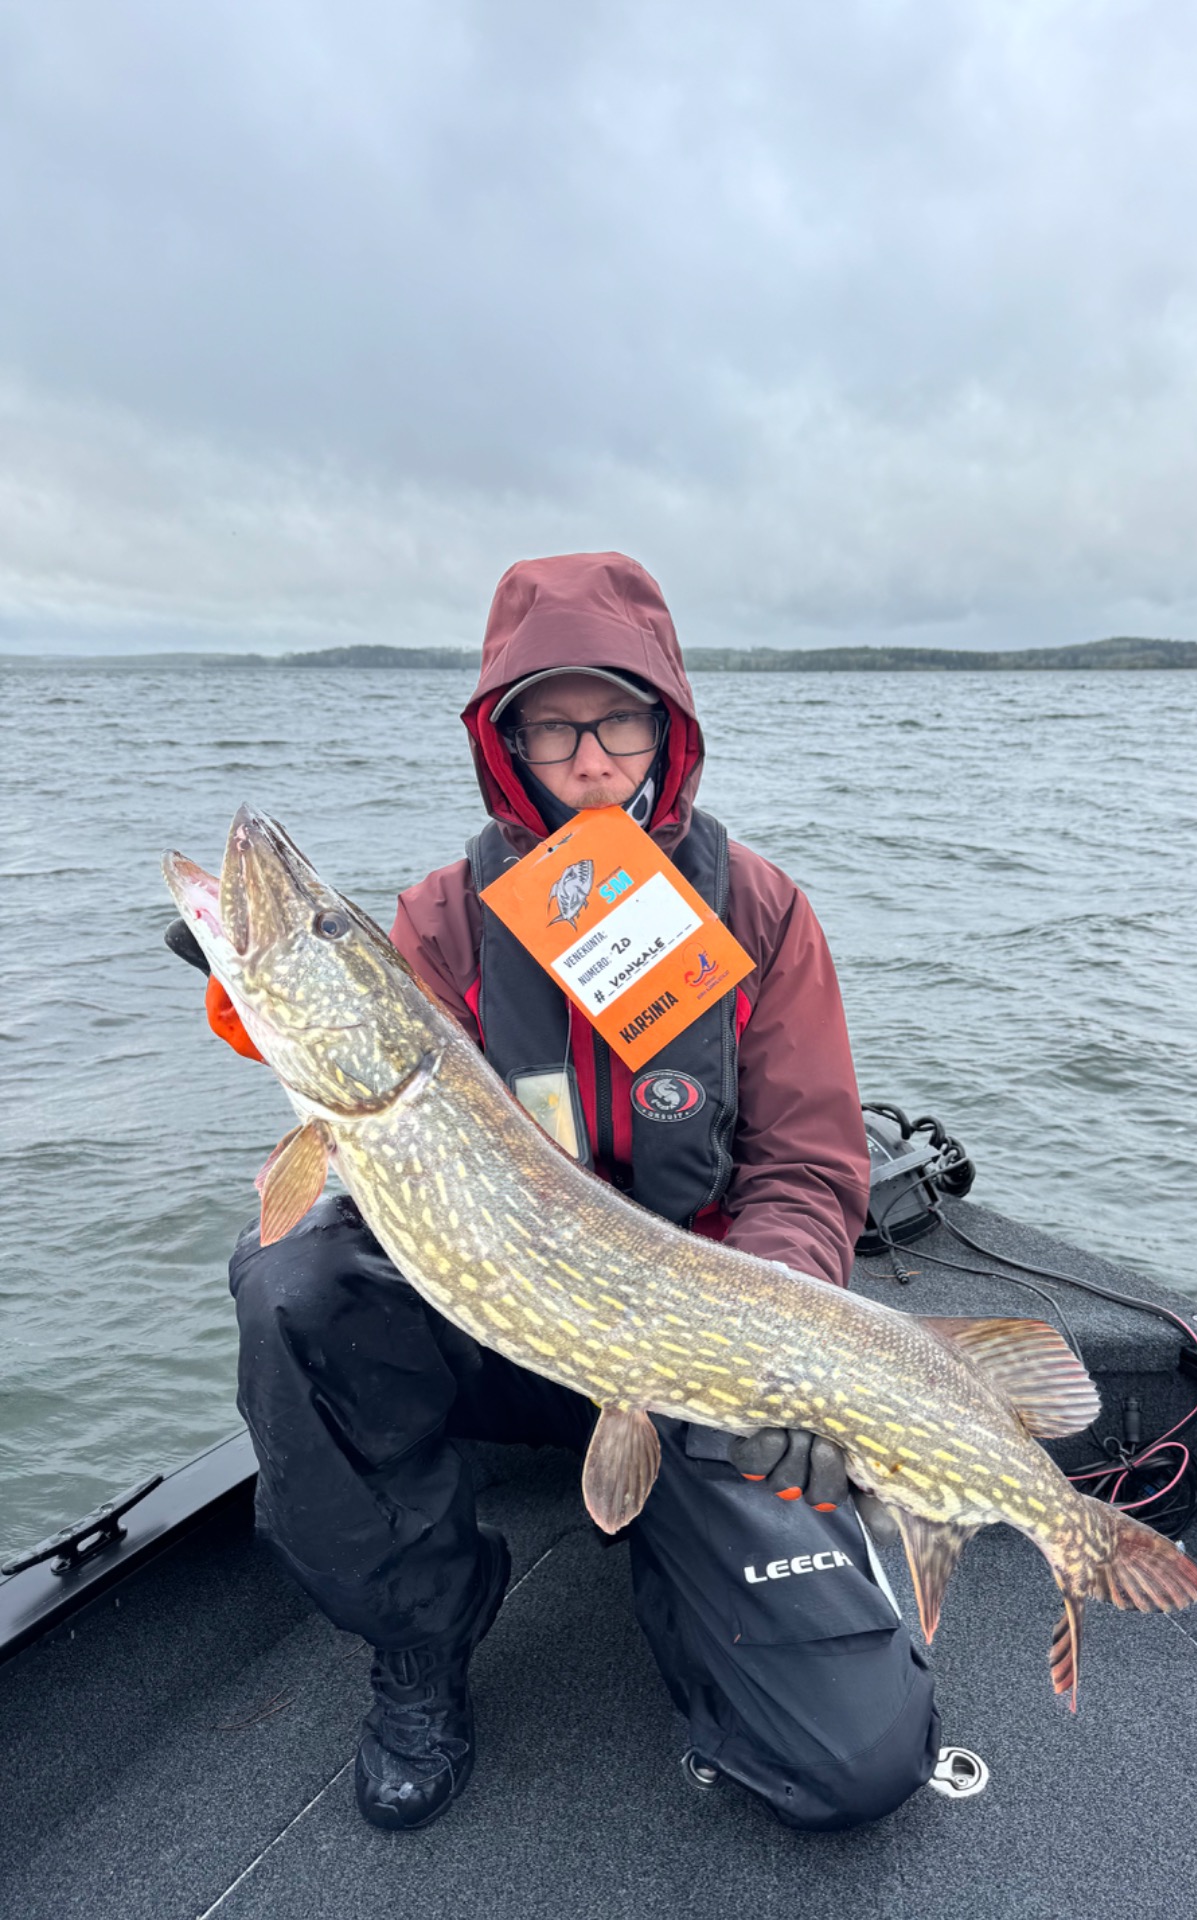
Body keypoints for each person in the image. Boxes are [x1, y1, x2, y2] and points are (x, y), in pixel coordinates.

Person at [190, 552, 940, 1834]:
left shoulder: (759, 911)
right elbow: (370, 1114)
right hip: (498, 1325)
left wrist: (767, 1336)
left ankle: (697, 1562)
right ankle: (420, 1637)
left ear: (668, 728)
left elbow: (812, 1168)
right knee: (293, 1288)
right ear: (508, 741)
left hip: (695, 1358)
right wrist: (269, 1011)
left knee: (858, 1763)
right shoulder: (445, 918)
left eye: (620, 722)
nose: (590, 759)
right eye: (553, 726)